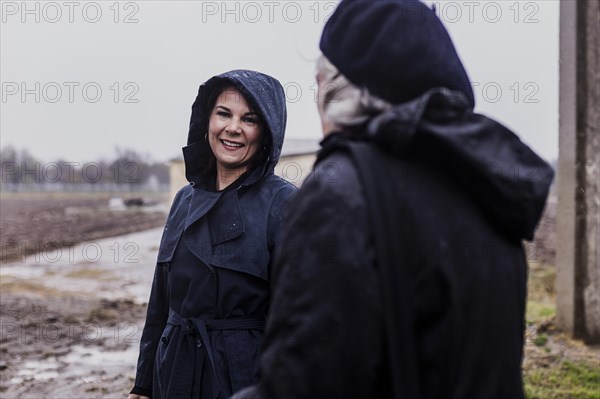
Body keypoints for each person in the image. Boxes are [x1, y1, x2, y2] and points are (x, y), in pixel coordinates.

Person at [232, 1, 554, 399]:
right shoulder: (488, 184)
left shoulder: (341, 191)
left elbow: (302, 385)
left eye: (318, 80)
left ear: (336, 88)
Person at [127, 70, 296, 399]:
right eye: (223, 114)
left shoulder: (285, 204)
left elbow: (297, 323)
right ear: (207, 120)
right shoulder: (183, 201)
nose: (233, 128)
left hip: (242, 378)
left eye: (249, 118)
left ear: (267, 132)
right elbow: (160, 303)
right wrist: (144, 382)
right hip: (173, 370)